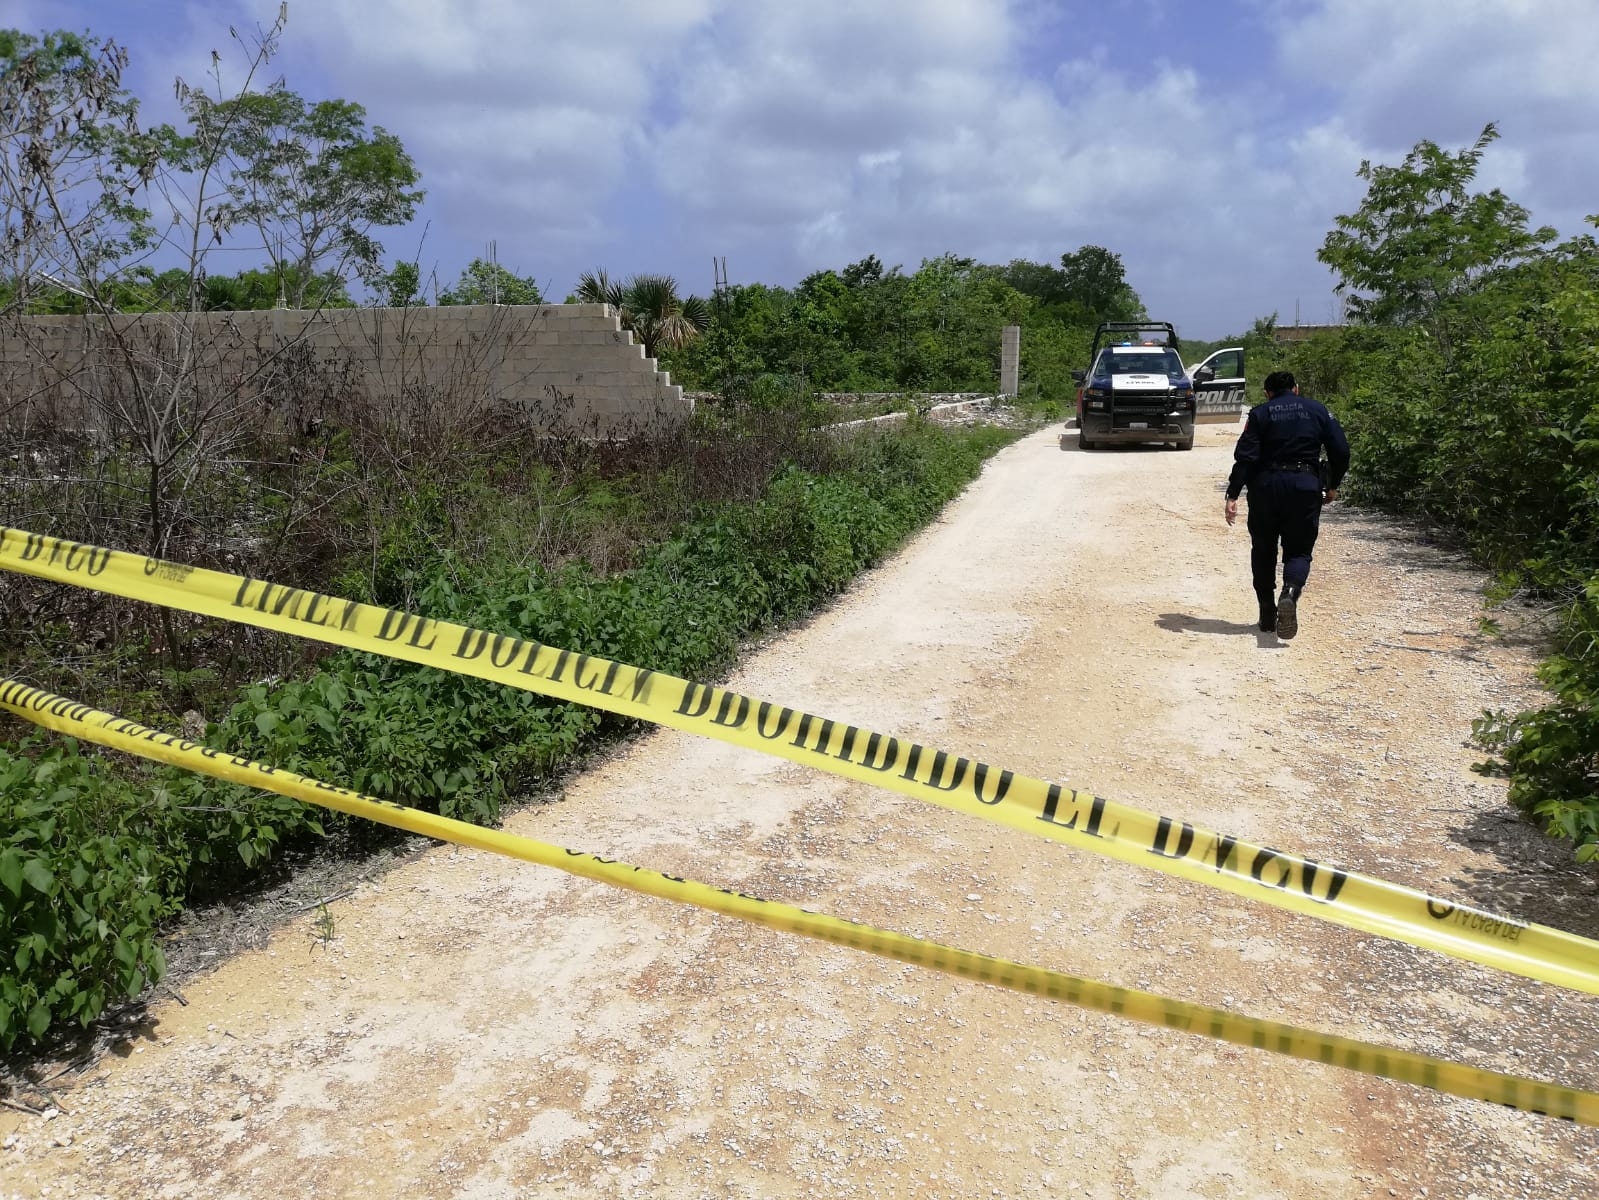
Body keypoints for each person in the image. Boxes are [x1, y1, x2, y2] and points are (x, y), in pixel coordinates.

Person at [1223, 370, 1350, 639]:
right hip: (1304, 486)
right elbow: (1341, 450)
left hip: (1265, 486)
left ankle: (1267, 614)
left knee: (1263, 549)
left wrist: (1233, 494)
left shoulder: (1260, 413)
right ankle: (1290, 593)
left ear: (1268, 393)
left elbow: (1246, 457)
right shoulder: (1317, 410)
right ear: (1296, 388)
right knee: (1299, 552)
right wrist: (1333, 484)